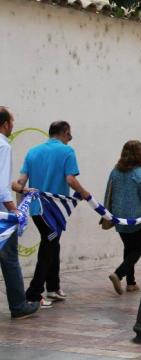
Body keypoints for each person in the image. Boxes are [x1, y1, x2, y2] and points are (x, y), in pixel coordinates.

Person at [14, 120, 90, 308]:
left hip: (36, 210)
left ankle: (53, 287)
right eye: (69, 135)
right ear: (64, 133)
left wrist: (19, 210)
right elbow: (71, 179)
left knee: (53, 244)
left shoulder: (33, 152)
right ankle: (33, 294)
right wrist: (85, 193)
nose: (70, 139)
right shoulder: (67, 152)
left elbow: (20, 183)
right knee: (48, 247)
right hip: (54, 212)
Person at [0, 107, 40, 319]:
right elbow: (1, 185)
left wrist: (20, 190)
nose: (12, 126)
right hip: (2, 214)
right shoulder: (3, 145)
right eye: (11, 122)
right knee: (9, 258)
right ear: (5, 124)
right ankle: (18, 305)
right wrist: (14, 210)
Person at [106, 141, 141, 295]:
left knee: (128, 248)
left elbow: (109, 192)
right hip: (136, 218)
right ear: (138, 153)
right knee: (138, 249)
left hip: (118, 217)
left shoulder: (115, 171)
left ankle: (131, 283)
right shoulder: (140, 172)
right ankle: (118, 274)